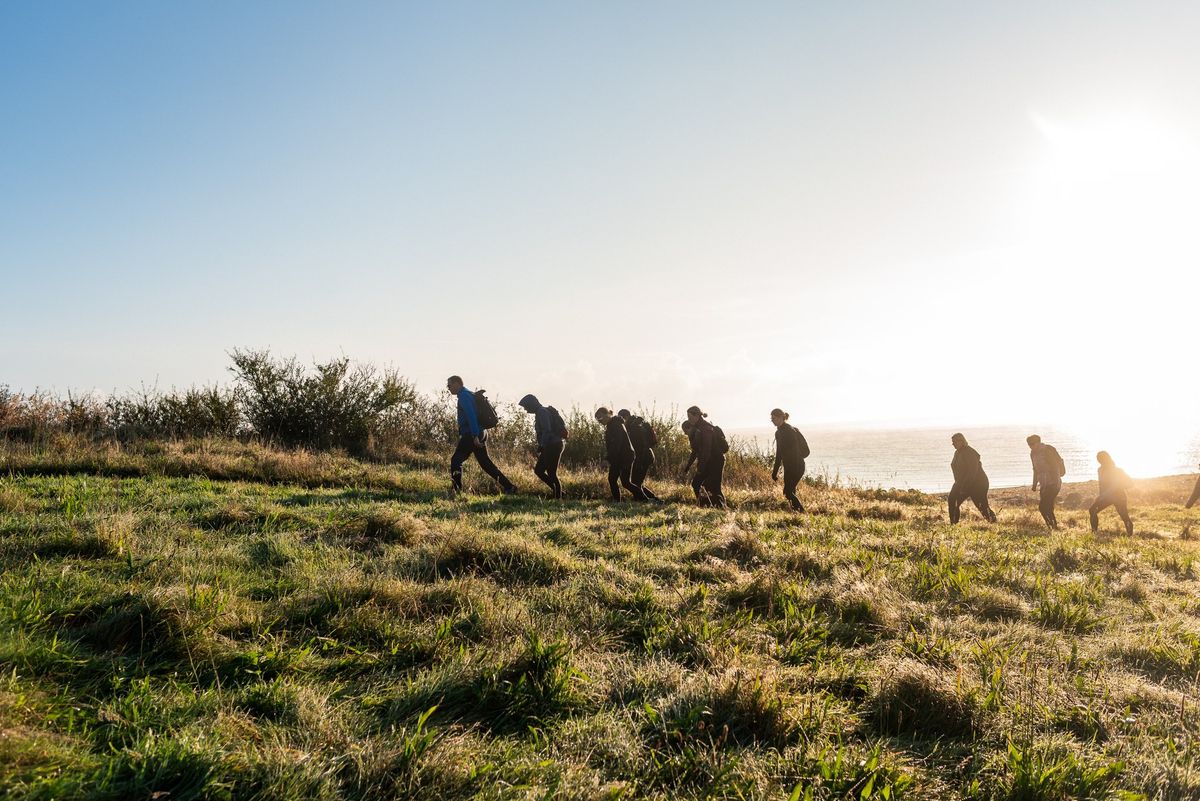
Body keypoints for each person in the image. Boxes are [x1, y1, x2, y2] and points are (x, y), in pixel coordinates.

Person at [446, 375, 516, 495]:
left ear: (457, 384)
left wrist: (474, 436)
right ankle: (510, 487)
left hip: (472, 434)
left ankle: (456, 490)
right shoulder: (469, 394)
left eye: (449, 385)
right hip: (482, 432)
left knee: (456, 460)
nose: (448, 388)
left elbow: (471, 416)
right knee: (486, 464)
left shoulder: (464, 396)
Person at [595, 407, 655, 501]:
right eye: (597, 420)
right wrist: (609, 457)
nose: (599, 421)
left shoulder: (616, 425)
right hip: (619, 457)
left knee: (624, 482)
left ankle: (645, 499)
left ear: (607, 415)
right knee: (615, 480)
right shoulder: (612, 425)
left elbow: (617, 443)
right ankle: (618, 501)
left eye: (600, 418)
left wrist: (607, 459)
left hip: (625, 457)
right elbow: (613, 445)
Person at [518, 394, 566, 499]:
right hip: (553, 444)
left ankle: (559, 496)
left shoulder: (542, 412)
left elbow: (546, 430)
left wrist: (542, 445)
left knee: (550, 472)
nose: (526, 410)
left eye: (526, 407)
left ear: (532, 404)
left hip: (552, 445)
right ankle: (559, 493)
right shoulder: (541, 412)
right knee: (540, 471)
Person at [948, 433, 996, 523]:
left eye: (954, 442)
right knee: (952, 500)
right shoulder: (957, 452)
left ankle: (993, 521)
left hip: (977, 484)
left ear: (961, 441)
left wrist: (965, 487)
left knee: (981, 505)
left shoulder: (969, 452)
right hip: (960, 482)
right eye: (952, 442)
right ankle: (953, 524)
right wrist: (958, 483)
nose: (953, 444)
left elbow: (972, 472)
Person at [686, 406, 727, 509]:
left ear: (697, 416)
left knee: (713, 487)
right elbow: (696, 450)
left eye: (690, 417)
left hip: (716, 460)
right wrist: (688, 466)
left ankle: (721, 508)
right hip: (709, 461)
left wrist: (700, 468)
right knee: (696, 483)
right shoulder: (698, 428)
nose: (689, 420)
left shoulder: (705, 428)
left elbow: (706, 451)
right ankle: (704, 505)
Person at [770, 408, 809, 511]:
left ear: (781, 418)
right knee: (790, 491)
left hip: (797, 466)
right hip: (788, 467)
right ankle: (796, 514)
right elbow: (779, 454)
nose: (772, 420)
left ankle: (802, 512)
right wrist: (774, 472)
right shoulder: (778, 433)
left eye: (774, 418)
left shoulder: (789, 431)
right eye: (771, 418)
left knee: (787, 492)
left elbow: (795, 452)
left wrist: (793, 468)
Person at [1089, 451, 1134, 536]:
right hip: (1107, 497)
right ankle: (1094, 532)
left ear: (1106, 459)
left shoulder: (1114, 470)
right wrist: (1100, 496)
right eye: (1098, 459)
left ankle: (1130, 536)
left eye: (1100, 459)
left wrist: (1102, 496)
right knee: (1092, 510)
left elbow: (1114, 486)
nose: (1099, 461)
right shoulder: (1100, 469)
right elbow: (1101, 484)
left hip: (1119, 496)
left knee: (1124, 516)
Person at [1027, 434, 1065, 530]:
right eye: (1029, 444)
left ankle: (1053, 527)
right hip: (1043, 483)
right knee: (1048, 506)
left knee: (1043, 507)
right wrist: (1034, 484)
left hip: (1053, 482)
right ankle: (1053, 527)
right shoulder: (1033, 454)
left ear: (1038, 442)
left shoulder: (1047, 451)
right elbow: (1035, 469)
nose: (1031, 446)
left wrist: (1054, 482)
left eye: (1032, 444)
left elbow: (1055, 467)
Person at [618, 409, 658, 493]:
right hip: (645, 456)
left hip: (644, 457)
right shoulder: (636, 424)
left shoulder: (634, 427)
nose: (621, 422)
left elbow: (641, 446)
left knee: (636, 482)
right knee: (636, 482)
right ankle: (649, 499)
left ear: (626, 417)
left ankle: (650, 500)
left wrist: (639, 461)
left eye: (621, 419)